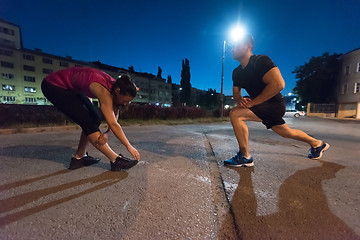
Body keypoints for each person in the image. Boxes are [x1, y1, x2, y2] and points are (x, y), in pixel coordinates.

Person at [224, 34, 329, 167]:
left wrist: (252, 102)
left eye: (236, 45)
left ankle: (245, 156)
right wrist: (242, 101)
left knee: (235, 115)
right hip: (261, 106)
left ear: (248, 46)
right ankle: (317, 144)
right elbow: (236, 94)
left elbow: (278, 84)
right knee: (286, 132)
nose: (232, 48)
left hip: (274, 105)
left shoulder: (261, 61)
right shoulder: (237, 72)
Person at [41, 67, 140, 171]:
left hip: (71, 88)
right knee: (89, 122)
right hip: (53, 85)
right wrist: (129, 146)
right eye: (125, 100)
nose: (126, 104)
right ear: (118, 91)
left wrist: (107, 133)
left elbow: (114, 114)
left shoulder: (116, 87)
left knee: (95, 119)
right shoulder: (104, 90)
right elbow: (113, 124)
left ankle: (79, 158)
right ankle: (115, 160)